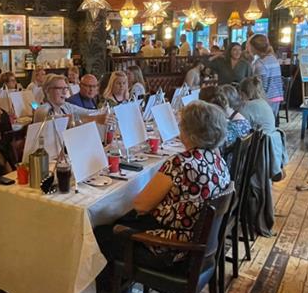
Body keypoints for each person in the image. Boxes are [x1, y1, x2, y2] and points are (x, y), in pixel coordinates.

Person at [93, 101, 232, 276]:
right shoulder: (218, 159)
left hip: (174, 253)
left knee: (102, 233)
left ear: (189, 131)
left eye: (181, 124)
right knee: (124, 220)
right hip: (198, 244)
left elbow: (141, 205)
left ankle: (115, 290)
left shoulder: (181, 162)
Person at [33, 74, 114, 126]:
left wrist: (109, 111)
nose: (64, 92)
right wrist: (96, 119)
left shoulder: (65, 106)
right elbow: (63, 121)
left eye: (66, 88)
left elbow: (88, 112)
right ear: (47, 90)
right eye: (60, 88)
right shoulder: (42, 110)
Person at [210, 85, 252, 157]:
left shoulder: (233, 127)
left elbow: (217, 150)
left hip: (229, 164)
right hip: (240, 163)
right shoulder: (241, 119)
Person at [249, 35, 283, 117]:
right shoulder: (273, 58)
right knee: (270, 123)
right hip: (277, 96)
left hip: (266, 98)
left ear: (254, 47)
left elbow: (260, 86)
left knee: (262, 125)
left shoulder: (260, 63)